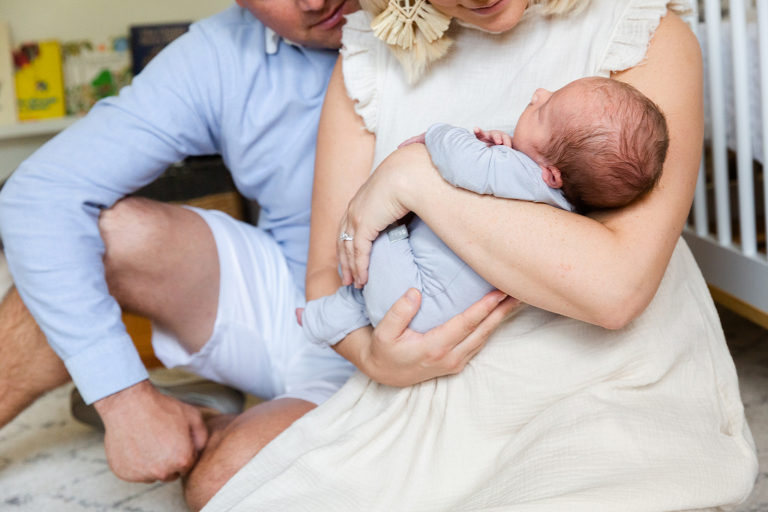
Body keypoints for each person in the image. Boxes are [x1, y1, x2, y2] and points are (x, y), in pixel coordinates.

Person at [199, 0, 760, 510]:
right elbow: (326, 272)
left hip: (597, 380)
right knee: (222, 484)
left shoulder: (639, 32)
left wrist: (413, 178)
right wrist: (374, 357)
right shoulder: (369, 57)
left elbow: (615, 291)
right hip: (428, 390)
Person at [0, 0, 516, 509]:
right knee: (87, 236)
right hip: (294, 306)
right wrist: (121, 395)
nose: (314, 0)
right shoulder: (221, 51)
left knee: (229, 479)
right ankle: (159, 411)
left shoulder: (480, 15)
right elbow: (40, 194)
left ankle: (204, 421)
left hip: (439, 310)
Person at [299, 76, 669, 346]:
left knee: (384, 231)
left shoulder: (523, 175)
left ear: (552, 174)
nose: (538, 94)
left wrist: (436, 135)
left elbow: (461, 164)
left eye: (543, 111)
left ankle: (320, 319)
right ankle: (320, 319)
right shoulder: (556, 202)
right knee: (360, 297)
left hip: (411, 296)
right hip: (423, 313)